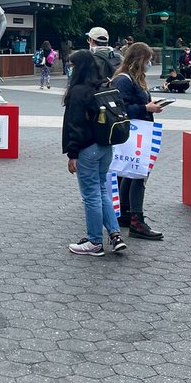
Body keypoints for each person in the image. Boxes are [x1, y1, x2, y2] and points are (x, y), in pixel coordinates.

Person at [63, 49, 127, 257]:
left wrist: (72, 154)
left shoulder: (78, 91)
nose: (69, 69)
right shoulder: (102, 85)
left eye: (71, 65)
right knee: (101, 190)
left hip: (87, 149)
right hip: (105, 145)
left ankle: (94, 241)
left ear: (78, 67)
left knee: (90, 195)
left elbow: (76, 125)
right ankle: (115, 234)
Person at [111, 43, 167, 240]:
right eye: (148, 60)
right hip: (134, 134)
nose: (150, 63)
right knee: (138, 174)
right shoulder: (125, 80)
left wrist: (147, 107)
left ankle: (127, 212)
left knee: (132, 173)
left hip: (136, 133)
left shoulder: (129, 78)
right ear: (139, 60)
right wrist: (146, 108)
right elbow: (121, 108)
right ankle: (136, 219)